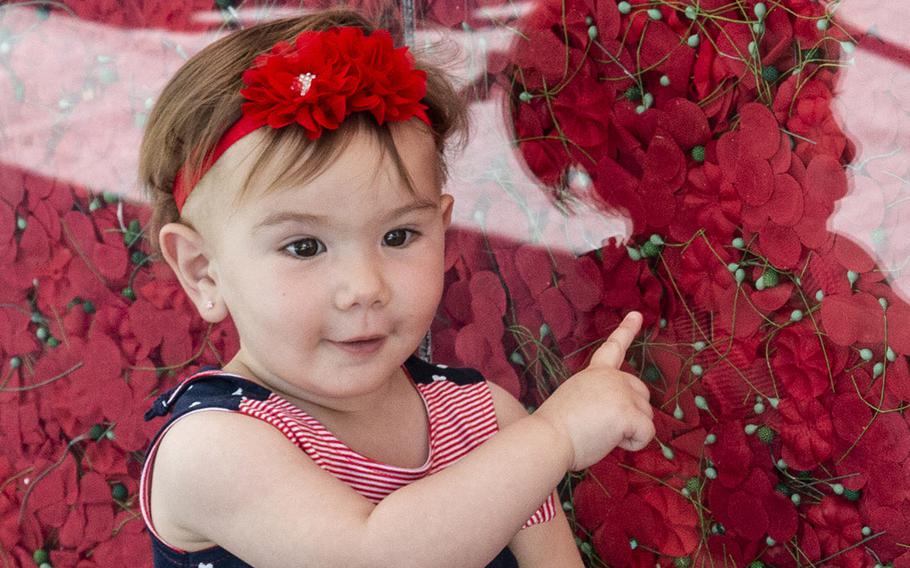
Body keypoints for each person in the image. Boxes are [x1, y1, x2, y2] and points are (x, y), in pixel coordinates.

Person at [136, 8, 655, 567]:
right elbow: (374, 554)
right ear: (203, 271)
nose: (365, 287)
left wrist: (540, 439)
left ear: (442, 227)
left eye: (399, 234)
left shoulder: (485, 422)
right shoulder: (211, 449)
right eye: (304, 247)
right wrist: (557, 436)